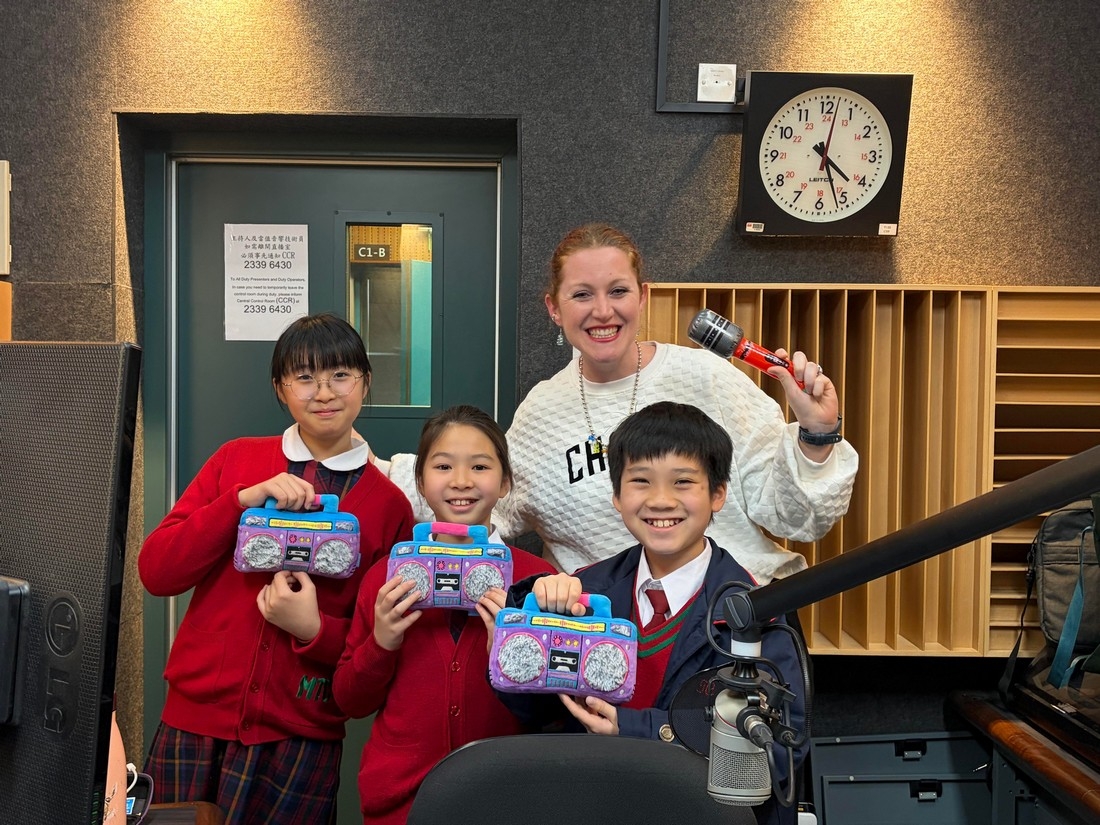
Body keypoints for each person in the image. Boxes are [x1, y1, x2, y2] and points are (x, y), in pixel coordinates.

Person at [377, 222, 857, 583]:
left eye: (618, 291)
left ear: (643, 296)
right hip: (605, 638)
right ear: (554, 308)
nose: (603, 311)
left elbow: (797, 518)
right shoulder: (542, 411)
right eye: (582, 295)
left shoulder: (707, 378)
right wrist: (354, 458)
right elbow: (481, 499)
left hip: (733, 621)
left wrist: (816, 436)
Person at [138, 313, 415, 825]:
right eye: (305, 377)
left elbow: (371, 648)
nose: (324, 393)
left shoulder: (389, 505)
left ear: (365, 381)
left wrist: (314, 630)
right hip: (195, 722)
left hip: (301, 734)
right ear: (280, 388)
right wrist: (239, 502)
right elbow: (158, 572)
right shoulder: (236, 461)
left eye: (340, 375)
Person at [485, 401, 808, 825]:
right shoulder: (586, 590)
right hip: (594, 806)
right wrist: (512, 649)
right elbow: (538, 713)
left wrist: (637, 729)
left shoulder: (756, 612)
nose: (660, 500)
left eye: (683, 482)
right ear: (617, 496)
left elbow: (779, 753)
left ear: (718, 494)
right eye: (640, 481)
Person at [333, 405, 556, 825]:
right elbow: (350, 700)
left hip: (508, 800)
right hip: (401, 803)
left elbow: (555, 714)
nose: (461, 481)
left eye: (480, 466)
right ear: (419, 481)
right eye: (442, 466)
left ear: (505, 482)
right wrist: (381, 642)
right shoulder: (386, 577)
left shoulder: (537, 581)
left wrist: (511, 656)